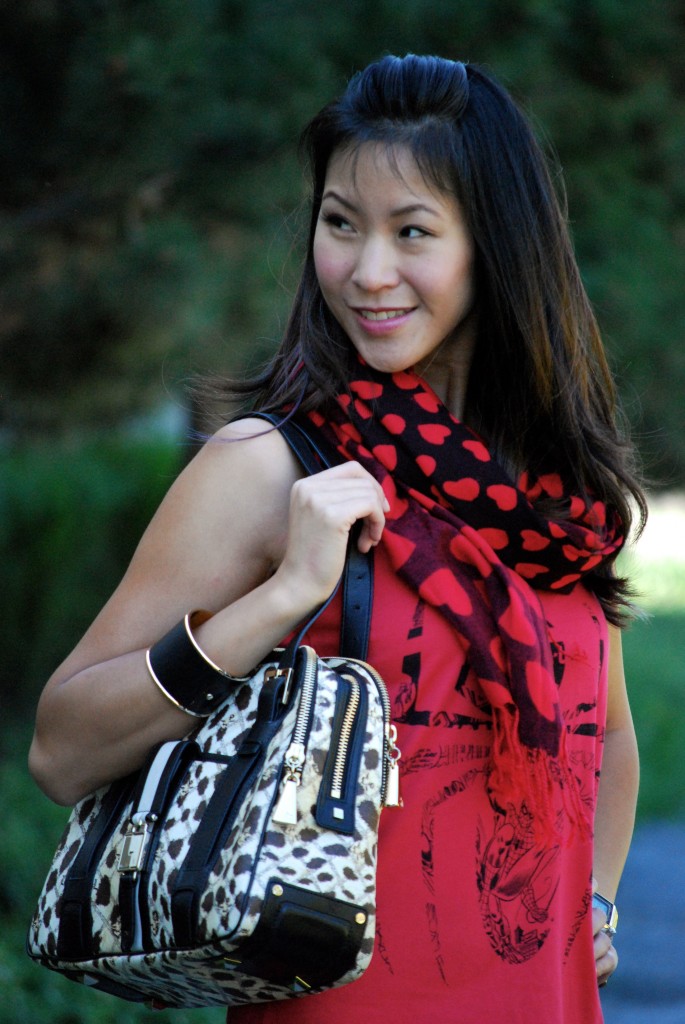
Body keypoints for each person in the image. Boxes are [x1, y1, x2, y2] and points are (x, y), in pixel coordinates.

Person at [29, 54, 644, 1023]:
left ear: (499, 247)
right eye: (340, 223)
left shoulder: (554, 506)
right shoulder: (269, 469)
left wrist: (595, 897)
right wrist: (278, 599)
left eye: (411, 232)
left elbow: (602, 734)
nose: (366, 271)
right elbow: (61, 748)